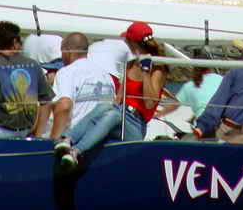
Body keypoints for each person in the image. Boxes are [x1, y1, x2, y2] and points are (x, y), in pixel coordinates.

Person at [55, 22, 168, 169]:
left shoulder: (157, 68)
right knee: (105, 106)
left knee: (113, 115)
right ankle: (67, 139)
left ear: (132, 43)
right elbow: (118, 98)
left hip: (136, 124)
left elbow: (149, 104)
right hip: (120, 114)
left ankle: (77, 151)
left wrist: (146, 72)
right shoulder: (129, 64)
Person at [49, 32, 115, 139]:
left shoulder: (67, 72)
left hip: (73, 139)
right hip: (102, 139)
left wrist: (53, 140)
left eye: (62, 51)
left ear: (68, 50)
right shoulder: (106, 75)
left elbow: (64, 106)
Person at [156, 49, 222, 120]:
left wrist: (157, 115)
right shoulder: (220, 78)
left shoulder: (189, 86)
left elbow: (174, 106)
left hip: (205, 120)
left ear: (194, 68)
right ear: (210, 66)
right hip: (223, 118)